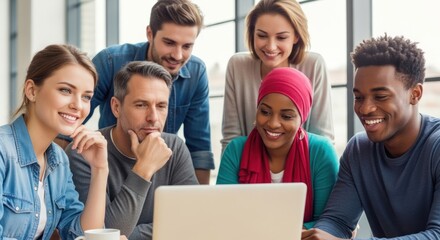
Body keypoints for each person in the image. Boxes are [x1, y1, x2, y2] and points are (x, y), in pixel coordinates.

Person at [57, 0, 213, 184]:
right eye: (169, 43)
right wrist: (56, 187)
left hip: (161, 175)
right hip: (109, 173)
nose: (177, 55)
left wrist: (200, 202)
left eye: (187, 46)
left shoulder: (196, 73)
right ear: (150, 33)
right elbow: (67, 124)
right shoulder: (109, 62)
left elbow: (199, 150)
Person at [301, 35, 440, 240]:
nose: (365, 108)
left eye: (380, 96)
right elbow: (337, 221)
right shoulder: (358, 149)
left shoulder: (435, 147)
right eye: (358, 97)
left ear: (415, 94)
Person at [66, 61, 199, 240]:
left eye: (161, 106)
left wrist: (133, 235)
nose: (153, 118)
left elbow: (192, 223)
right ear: (116, 107)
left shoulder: (174, 148)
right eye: (141, 105)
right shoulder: (84, 152)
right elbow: (103, 234)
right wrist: (143, 170)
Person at [0, 44, 109, 240]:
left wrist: (100, 169)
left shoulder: (59, 160)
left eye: (86, 97)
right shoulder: (2, 151)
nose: (77, 105)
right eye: (66, 90)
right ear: (32, 91)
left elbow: (82, 234)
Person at [217, 67, 339, 229]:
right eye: (265, 112)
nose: (273, 123)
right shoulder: (236, 150)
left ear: (302, 117)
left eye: (286, 116)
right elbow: (224, 216)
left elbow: (327, 225)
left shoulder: (321, 152)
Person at [221, 0, 334, 152]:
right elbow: (231, 141)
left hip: (303, 169)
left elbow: (323, 140)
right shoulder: (237, 66)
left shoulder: (313, 65)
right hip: (249, 170)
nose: (271, 46)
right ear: (252, 33)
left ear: (296, 37)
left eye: (281, 38)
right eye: (262, 36)